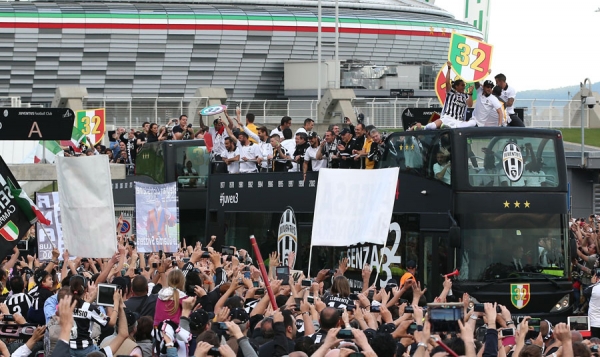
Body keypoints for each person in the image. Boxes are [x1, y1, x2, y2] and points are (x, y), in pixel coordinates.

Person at [411, 61, 475, 130]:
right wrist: (449, 68)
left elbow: (470, 105)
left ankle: (447, 127)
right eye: (462, 85)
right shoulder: (451, 93)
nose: (464, 87)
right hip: (447, 118)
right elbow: (447, 82)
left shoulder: (465, 96)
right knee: (431, 127)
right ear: (456, 86)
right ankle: (422, 128)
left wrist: (470, 93)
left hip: (458, 121)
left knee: (473, 123)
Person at [585, 270, 600, 338]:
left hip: (595, 323)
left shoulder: (593, 288)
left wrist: (592, 283)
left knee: (595, 343)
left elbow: (585, 292)